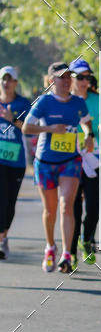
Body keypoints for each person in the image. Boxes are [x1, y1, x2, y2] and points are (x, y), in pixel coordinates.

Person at [23, 62, 94, 273]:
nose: (66, 81)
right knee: (50, 210)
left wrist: (89, 136)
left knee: (66, 206)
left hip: (70, 161)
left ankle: (66, 253)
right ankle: (50, 246)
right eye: (62, 77)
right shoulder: (44, 102)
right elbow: (27, 127)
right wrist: (50, 128)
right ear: (51, 80)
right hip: (45, 162)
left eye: (68, 77)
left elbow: (87, 122)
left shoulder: (78, 103)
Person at [69, 58, 100, 267]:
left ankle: (87, 239)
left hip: (94, 159)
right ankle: (70, 251)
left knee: (94, 206)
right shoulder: (63, 100)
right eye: (79, 77)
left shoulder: (99, 101)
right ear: (70, 78)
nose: (83, 81)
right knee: (73, 208)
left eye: (87, 77)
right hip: (69, 160)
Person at [0, 66, 31, 259]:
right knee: (0, 198)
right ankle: (1, 240)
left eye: (10, 79)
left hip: (16, 162)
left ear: (16, 83)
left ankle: (4, 235)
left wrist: (13, 119)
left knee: (10, 203)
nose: (6, 82)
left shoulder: (23, 103)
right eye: (3, 79)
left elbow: (29, 129)